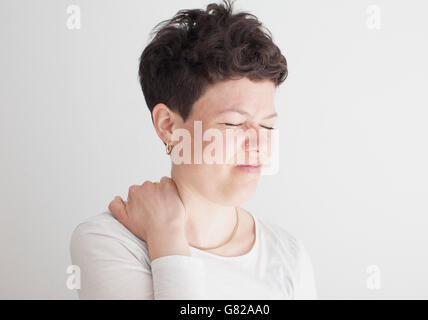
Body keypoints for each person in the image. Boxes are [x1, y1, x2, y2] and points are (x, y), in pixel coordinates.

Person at [70, 0, 317, 300]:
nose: (259, 145)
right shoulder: (110, 242)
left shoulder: (289, 256)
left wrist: (165, 237)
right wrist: (167, 239)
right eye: (233, 124)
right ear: (168, 125)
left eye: (266, 126)